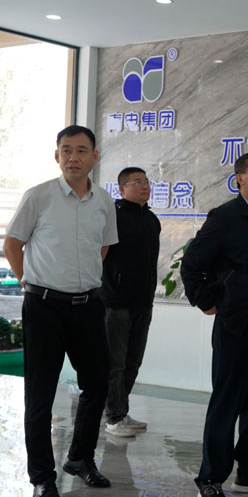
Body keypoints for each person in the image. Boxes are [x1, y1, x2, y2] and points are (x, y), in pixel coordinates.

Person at [3, 125, 118, 497]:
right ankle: (42, 477)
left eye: (81, 150)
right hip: (44, 307)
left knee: (97, 384)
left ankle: (80, 458)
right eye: (66, 150)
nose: (73, 157)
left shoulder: (103, 200)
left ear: (94, 157)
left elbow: (102, 248)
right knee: (40, 395)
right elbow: (12, 244)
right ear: (57, 156)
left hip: (88, 306)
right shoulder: (39, 196)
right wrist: (29, 281)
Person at [181, 152, 248, 497]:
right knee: (228, 400)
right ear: (240, 178)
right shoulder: (225, 217)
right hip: (237, 320)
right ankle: (210, 477)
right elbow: (192, 265)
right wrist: (208, 303)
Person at [101, 167, 161, 438]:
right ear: (122, 189)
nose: (145, 186)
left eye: (146, 181)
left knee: (133, 361)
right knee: (115, 363)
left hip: (143, 302)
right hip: (116, 302)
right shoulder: (113, 217)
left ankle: (120, 411)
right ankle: (113, 417)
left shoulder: (151, 219)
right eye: (137, 182)